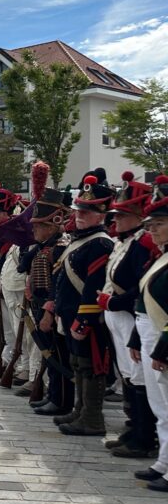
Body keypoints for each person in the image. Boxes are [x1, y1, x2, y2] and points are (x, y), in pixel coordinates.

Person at [51, 170, 115, 436]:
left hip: (86, 316)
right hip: (70, 313)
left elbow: (93, 285)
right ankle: (79, 410)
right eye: (79, 211)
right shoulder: (82, 240)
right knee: (78, 362)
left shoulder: (99, 243)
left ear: (101, 215)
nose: (79, 215)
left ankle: (92, 418)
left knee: (90, 366)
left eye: (86, 212)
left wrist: (84, 318)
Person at [99, 171, 157, 458]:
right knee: (129, 376)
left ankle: (144, 436)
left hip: (131, 316)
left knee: (140, 376)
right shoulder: (126, 241)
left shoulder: (143, 243)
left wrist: (114, 302)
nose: (116, 220)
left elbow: (140, 286)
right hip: (118, 317)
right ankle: (133, 427)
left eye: (122, 216)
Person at [131, 174, 168, 492]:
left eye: (158, 224)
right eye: (150, 224)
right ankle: (164, 461)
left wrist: (163, 347)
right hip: (149, 333)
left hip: (162, 338)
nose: (151, 230)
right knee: (160, 404)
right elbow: (142, 300)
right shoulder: (161, 257)